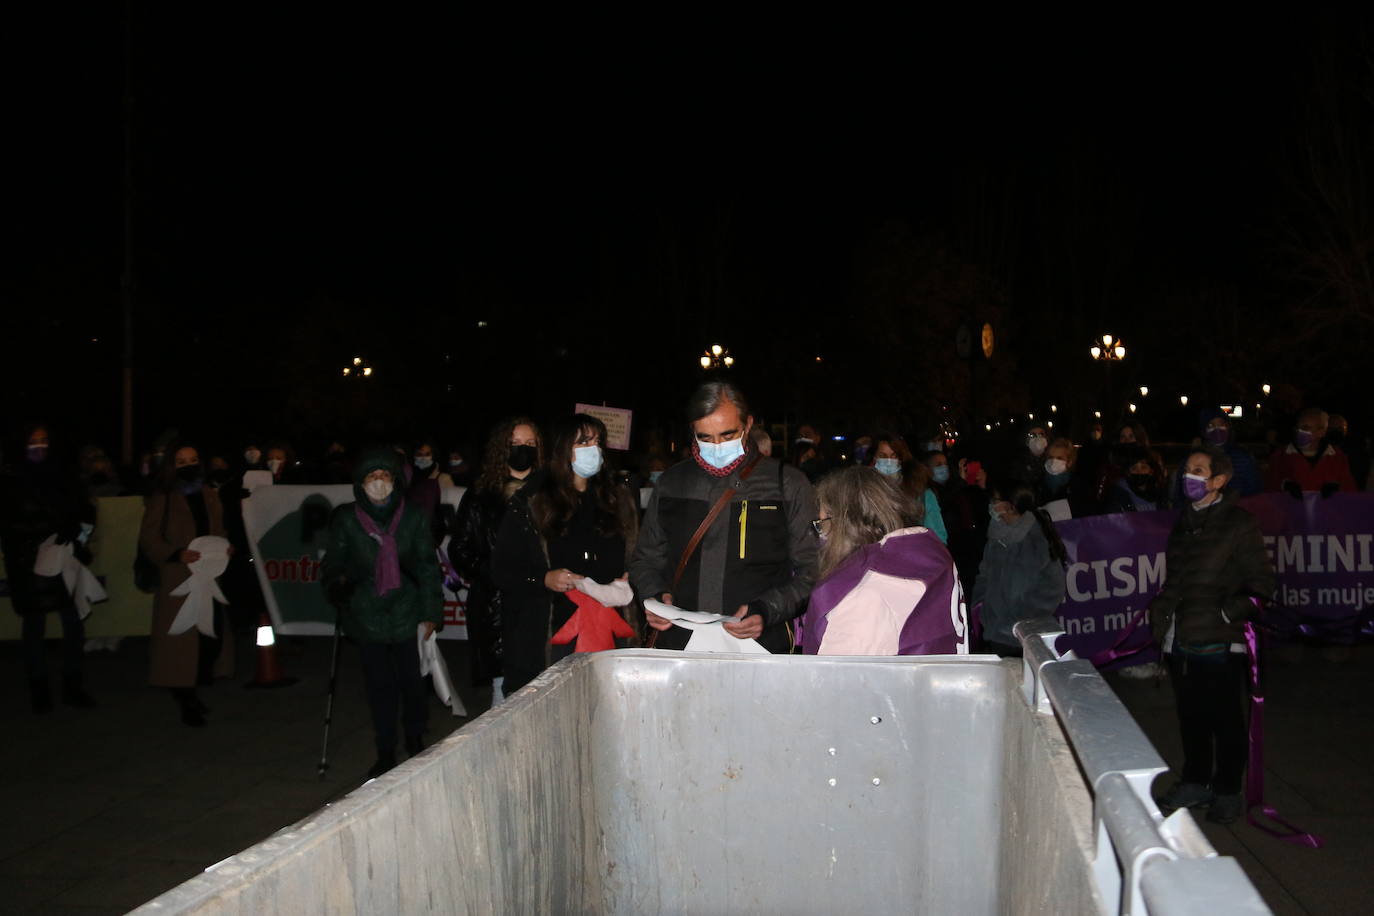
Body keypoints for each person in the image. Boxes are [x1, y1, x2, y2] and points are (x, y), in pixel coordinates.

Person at [632, 381, 818, 654]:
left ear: (748, 424)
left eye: (727, 435)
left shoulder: (787, 484)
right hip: (681, 644)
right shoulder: (672, 483)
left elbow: (812, 570)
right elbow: (645, 560)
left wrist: (767, 610)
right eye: (705, 438)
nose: (717, 446)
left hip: (760, 646)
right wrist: (655, 597)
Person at [1151, 445, 1275, 824]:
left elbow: (1262, 584)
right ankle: (1196, 781)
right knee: (1191, 717)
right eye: (1187, 469)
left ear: (1218, 480)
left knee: (1225, 718)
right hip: (1181, 637)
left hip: (1220, 640)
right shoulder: (1184, 523)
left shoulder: (1239, 523)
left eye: (1199, 470)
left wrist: (1227, 612)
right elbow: (1177, 579)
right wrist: (1162, 613)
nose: (1188, 476)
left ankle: (1227, 789)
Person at [493, 414, 639, 692]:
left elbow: (636, 553)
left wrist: (632, 575)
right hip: (553, 630)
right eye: (583, 442)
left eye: (597, 442)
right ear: (562, 448)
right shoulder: (532, 501)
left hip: (610, 626)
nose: (592, 449)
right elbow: (503, 568)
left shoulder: (617, 498)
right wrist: (543, 578)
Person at [322, 448, 443, 777]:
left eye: (385, 476)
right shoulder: (347, 519)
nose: (379, 482)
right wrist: (337, 583)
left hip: (407, 609)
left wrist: (431, 612)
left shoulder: (413, 517)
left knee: (413, 683)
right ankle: (385, 748)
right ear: (360, 483)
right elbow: (333, 562)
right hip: (366, 612)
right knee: (380, 687)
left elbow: (427, 567)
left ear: (395, 480)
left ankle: (415, 737)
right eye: (372, 477)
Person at [801, 467, 966, 655]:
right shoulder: (930, 554)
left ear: (845, 525)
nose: (821, 535)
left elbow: (838, 671)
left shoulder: (863, 596)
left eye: (823, 524)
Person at [0, 425, 97, 712]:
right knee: (34, 626)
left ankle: (72, 685)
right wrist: (44, 536)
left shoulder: (64, 476)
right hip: (29, 565)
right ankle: (39, 689)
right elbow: (9, 524)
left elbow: (84, 511)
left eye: (44, 441)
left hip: (63, 559)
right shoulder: (10, 480)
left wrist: (77, 535)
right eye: (33, 441)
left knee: (73, 622)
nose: (39, 446)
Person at [139, 441, 234, 726]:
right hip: (178, 575)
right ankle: (184, 693)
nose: (188, 466)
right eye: (181, 461)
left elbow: (219, 529)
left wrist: (225, 547)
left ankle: (196, 682)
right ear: (171, 466)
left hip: (208, 572)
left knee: (208, 631)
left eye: (193, 460)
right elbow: (149, 538)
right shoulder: (164, 497)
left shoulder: (208, 494)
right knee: (181, 637)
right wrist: (175, 554)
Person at [449, 417, 541, 702]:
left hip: (542, 602)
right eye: (516, 443)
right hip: (497, 605)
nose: (523, 449)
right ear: (503, 447)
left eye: (530, 443)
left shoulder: (550, 492)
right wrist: (496, 574)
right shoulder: (481, 494)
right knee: (504, 690)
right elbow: (460, 549)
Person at [971, 478, 1066, 657]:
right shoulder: (997, 532)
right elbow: (985, 573)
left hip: (1023, 634)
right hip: (996, 631)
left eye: (995, 500)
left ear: (1010, 506)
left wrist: (1017, 620)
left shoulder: (1034, 539)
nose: (992, 505)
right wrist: (981, 607)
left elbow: (1051, 588)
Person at [868, 435, 948, 543]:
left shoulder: (920, 492)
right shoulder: (866, 491)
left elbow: (937, 536)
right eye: (883, 456)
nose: (888, 461)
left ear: (901, 459)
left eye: (894, 456)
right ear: (874, 458)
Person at [1169, 409, 1261, 501]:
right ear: (1204, 431)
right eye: (1211, 425)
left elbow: (1255, 489)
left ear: (1228, 427)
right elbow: (1180, 493)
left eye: (1221, 424)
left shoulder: (1243, 457)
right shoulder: (1194, 458)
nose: (1217, 429)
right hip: (1201, 508)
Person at [1265, 408, 1357, 495]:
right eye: (1297, 427)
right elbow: (1268, 490)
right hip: (1291, 507)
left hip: (1326, 507)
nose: (1299, 431)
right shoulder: (1280, 456)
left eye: (1305, 428)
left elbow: (1350, 492)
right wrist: (1283, 485)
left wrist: (1338, 489)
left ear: (1321, 432)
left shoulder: (1338, 457)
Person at [1100, 445, 1167, 513]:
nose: (1139, 472)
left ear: (1151, 471)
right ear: (1128, 472)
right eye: (1134, 468)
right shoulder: (1118, 493)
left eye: (1143, 468)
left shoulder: (1159, 491)